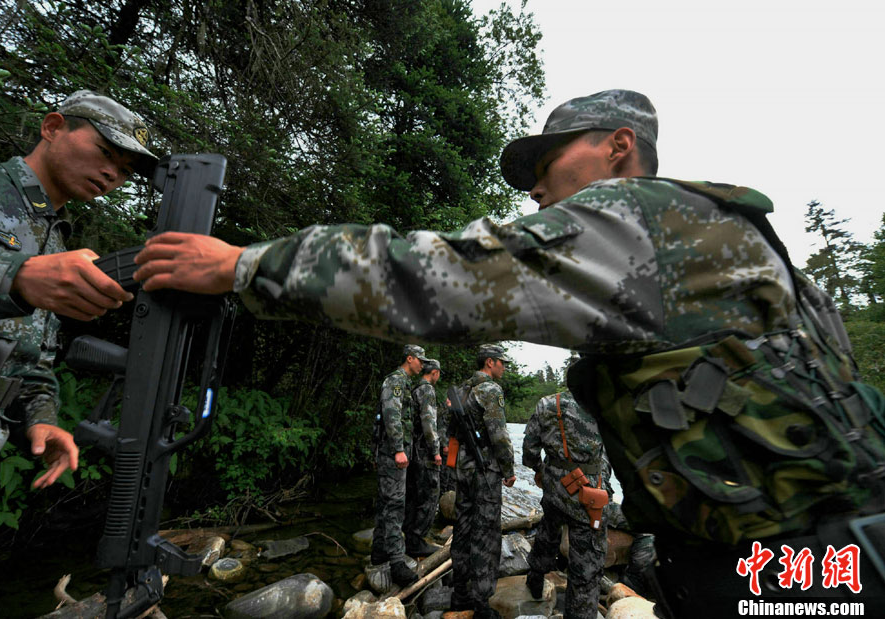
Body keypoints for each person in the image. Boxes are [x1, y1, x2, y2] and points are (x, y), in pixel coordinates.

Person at [132, 89, 885, 616]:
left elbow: (441, 276)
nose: (533, 192)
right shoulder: (751, 249)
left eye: (546, 164)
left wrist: (242, 265)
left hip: (777, 572)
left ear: (619, 149)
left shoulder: (637, 216)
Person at [0, 89, 157, 600]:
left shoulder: (57, 244)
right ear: (52, 127)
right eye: (106, 152)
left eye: (127, 169)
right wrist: (13, 279)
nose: (114, 173)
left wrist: (41, 417)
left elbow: (33, 360)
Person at [522, 389, 613, 619]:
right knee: (586, 564)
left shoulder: (547, 403)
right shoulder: (604, 405)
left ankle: (535, 577)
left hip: (554, 487)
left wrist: (540, 469)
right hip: (589, 495)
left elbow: (529, 449)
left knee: (548, 530)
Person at [447, 344, 516, 617]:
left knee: (463, 526)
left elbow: (449, 428)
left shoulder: (462, 389)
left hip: (463, 466)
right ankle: (481, 602)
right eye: (502, 363)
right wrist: (509, 469)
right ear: (490, 362)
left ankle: (459, 593)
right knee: (486, 533)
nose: (504, 367)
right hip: (485, 469)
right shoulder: (490, 390)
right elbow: (499, 435)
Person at [370, 344, 428, 587]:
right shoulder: (396, 381)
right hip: (392, 453)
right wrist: (398, 450)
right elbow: (392, 415)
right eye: (420, 361)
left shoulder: (404, 382)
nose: (422, 365)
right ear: (409, 358)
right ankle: (396, 562)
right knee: (395, 504)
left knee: (387, 502)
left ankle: (379, 551)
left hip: (394, 453)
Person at [402, 358, 443, 557]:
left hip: (413, 451)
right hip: (424, 453)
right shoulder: (427, 390)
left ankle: (409, 536)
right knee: (429, 496)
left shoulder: (414, 389)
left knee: (414, 496)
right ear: (434, 372)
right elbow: (429, 424)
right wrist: (436, 451)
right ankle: (416, 541)